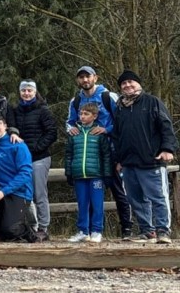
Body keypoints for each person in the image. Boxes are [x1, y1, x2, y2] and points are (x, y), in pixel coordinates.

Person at [66, 65, 133, 239]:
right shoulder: (76, 100)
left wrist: (106, 130)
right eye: (81, 77)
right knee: (86, 195)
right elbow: (70, 122)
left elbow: (122, 120)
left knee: (118, 191)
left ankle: (126, 228)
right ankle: (85, 230)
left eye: (88, 76)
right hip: (89, 153)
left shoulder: (107, 96)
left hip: (111, 151)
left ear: (95, 77)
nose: (85, 80)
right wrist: (71, 129)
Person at [111, 69, 176, 244]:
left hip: (151, 160)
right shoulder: (119, 108)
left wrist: (167, 149)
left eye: (131, 82)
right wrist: (118, 160)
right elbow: (116, 136)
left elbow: (166, 127)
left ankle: (163, 231)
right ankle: (147, 231)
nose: (127, 85)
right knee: (136, 199)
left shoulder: (152, 102)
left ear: (138, 84)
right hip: (128, 163)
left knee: (158, 197)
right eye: (123, 83)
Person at [6, 79, 58, 242]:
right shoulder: (15, 110)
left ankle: (43, 227)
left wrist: (35, 148)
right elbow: (11, 129)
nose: (26, 93)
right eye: (24, 91)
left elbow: (52, 132)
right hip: (21, 159)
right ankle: (29, 226)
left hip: (39, 158)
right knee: (23, 193)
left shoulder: (43, 110)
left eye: (30, 90)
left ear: (35, 92)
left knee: (39, 193)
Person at [0, 113, 36, 242]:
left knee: (11, 230)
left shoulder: (18, 145)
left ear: (5, 126)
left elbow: (25, 173)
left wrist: (4, 192)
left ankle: (31, 232)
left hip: (19, 189)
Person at [65, 102, 110, 243]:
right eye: (81, 114)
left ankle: (96, 231)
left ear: (94, 116)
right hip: (79, 174)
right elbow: (68, 154)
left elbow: (106, 155)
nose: (82, 116)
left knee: (97, 204)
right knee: (82, 204)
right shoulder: (74, 133)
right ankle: (83, 231)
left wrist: (107, 174)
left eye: (86, 114)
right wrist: (69, 172)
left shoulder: (99, 134)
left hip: (96, 175)